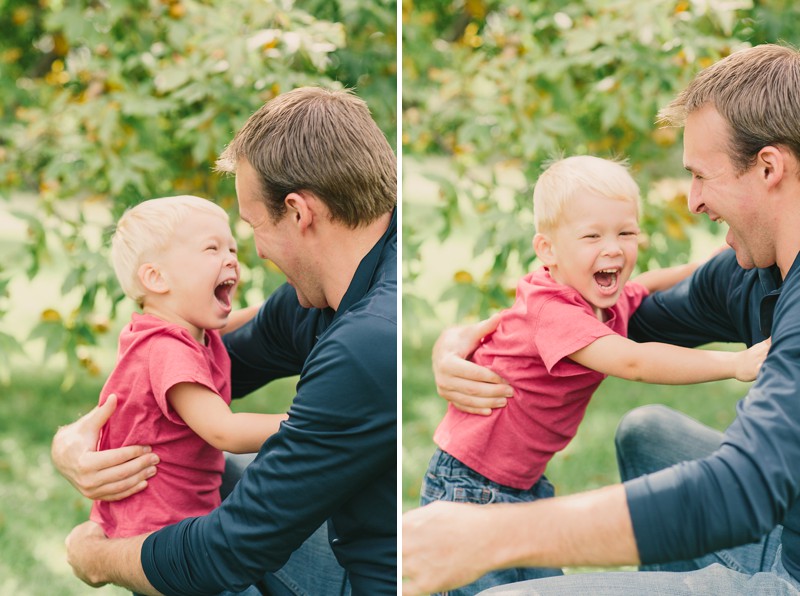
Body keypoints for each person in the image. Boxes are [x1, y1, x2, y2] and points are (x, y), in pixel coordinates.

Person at [403, 43, 800, 595]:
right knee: (648, 434)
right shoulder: (754, 270)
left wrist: (492, 534)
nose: (692, 202)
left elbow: (741, 488)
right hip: (781, 519)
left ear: (768, 167)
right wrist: (457, 344)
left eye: (702, 177)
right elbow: (593, 323)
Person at [54, 86, 397, 595]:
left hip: (382, 576)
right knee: (205, 473)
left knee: (188, 545)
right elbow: (167, 381)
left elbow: (225, 551)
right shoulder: (331, 294)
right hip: (361, 529)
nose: (252, 254)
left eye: (251, 229)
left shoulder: (368, 341)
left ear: (299, 213)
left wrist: (95, 556)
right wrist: (74, 446)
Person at [419, 155, 768, 595]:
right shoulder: (554, 311)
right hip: (471, 488)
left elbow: (647, 284)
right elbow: (634, 362)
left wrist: (705, 266)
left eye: (626, 232)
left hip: (520, 485)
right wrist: (732, 364)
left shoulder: (597, 296)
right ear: (547, 250)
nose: (613, 248)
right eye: (592, 236)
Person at [91, 195, 285, 541]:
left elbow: (222, 327)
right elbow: (224, 431)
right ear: (156, 278)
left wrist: (271, 308)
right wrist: (309, 423)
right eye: (212, 249)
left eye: (232, 249)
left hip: (167, 516)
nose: (230, 260)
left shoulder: (162, 329)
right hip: (163, 530)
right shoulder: (167, 351)